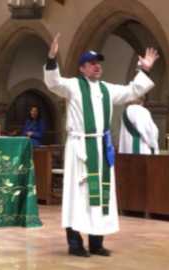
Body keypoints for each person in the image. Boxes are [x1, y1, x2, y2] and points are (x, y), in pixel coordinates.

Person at [43, 33, 159, 257]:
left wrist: (144, 70)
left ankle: (96, 242)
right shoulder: (73, 86)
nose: (97, 67)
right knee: (78, 196)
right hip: (80, 149)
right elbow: (53, 82)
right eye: (92, 64)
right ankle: (75, 243)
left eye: (98, 63)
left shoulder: (107, 89)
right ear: (82, 68)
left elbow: (132, 91)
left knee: (102, 195)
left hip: (101, 147)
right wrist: (51, 58)